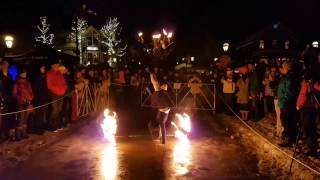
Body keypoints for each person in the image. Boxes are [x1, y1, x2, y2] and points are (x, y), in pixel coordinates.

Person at [296, 70, 320, 156]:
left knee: (307, 128)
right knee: (312, 128)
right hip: (313, 108)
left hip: (306, 108)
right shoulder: (315, 83)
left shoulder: (305, 84)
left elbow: (303, 95)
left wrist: (298, 105)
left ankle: (311, 147)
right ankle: (313, 146)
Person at [277, 61, 300, 147]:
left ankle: (288, 139)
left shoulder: (289, 78)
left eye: (283, 67)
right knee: (286, 121)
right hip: (284, 103)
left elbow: (289, 91)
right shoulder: (286, 77)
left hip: (287, 103)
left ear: (287, 68)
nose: (281, 69)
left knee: (287, 122)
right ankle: (289, 137)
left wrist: (285, 101)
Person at [147, 68, 171, 144]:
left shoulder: (160, 119)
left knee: (155, 84)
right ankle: (151, 72)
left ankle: (151, 72)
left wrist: (163, 141)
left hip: (162, 105)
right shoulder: (160, 120)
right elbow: (162, 127)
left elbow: (162, 127)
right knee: (156, 84)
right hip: (162, 105)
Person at [12, 69, 34, 140]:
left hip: (28, 102)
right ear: (20, 74)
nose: (25, 74)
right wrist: (21, 97)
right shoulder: (17, 83)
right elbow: (14, 94)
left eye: (25, 73)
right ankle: (18, 134)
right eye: (24, 73)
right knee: (20, 119)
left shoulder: (27, 82)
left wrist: (31, 97)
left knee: (25, 118)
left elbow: (31, 91)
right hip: (21, 103)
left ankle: (24, 132)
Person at [46, 62, 67, 131]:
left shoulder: (59, 73)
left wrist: (63, 89)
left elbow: (64, 82)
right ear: (53, 65)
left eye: (58, 65)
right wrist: (58, 89)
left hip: (61, 94)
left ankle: (55, 124)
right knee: (54, 110)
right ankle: (51, 125)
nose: (58, 66)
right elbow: (50, 85)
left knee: (59, 109)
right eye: (56, 65)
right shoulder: (50, 73)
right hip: (54, 94)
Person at [32, 64, 48, 134]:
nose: (43, 69)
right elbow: (36, 88)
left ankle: (40, 127)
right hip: (39, 98)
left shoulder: (44, 76)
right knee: (38, 114)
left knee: (42, 113)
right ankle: (37, 128)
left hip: (43, 97)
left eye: (44, 68)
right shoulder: (37, 77)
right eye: (42, 68)